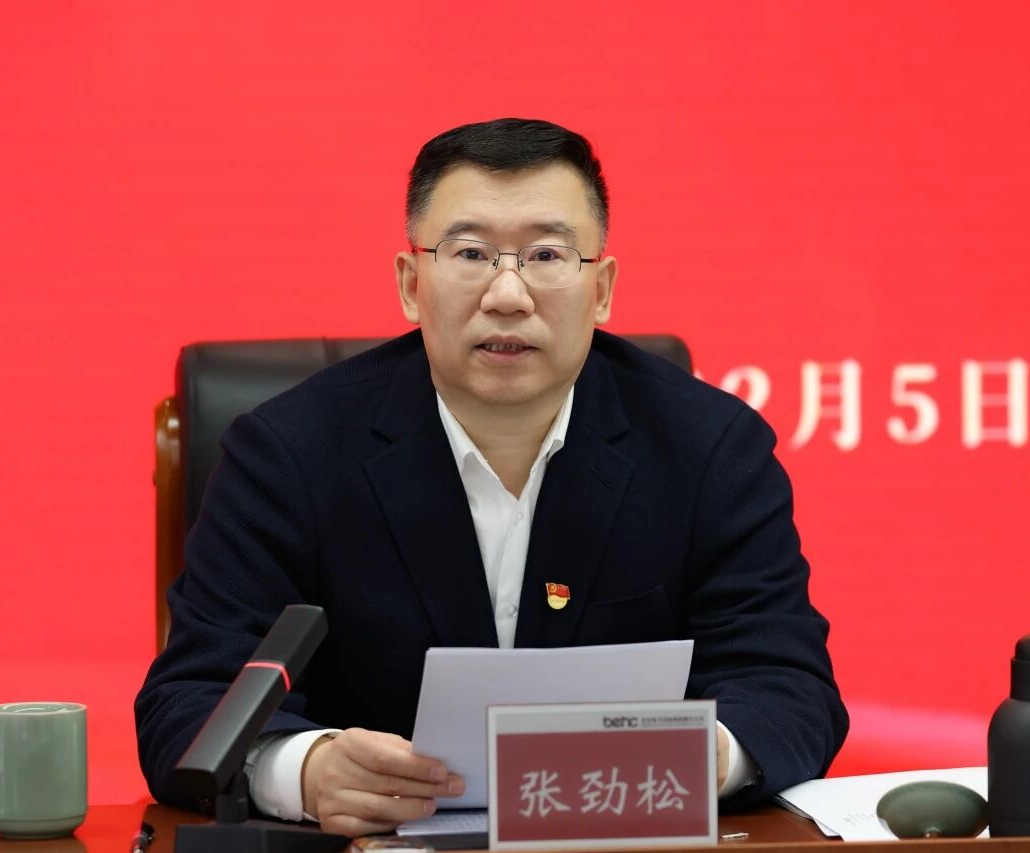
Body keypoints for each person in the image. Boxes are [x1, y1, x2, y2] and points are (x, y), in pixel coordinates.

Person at [135, 117, 847, 837]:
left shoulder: (709, 448)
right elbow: (191, 699)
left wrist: (695, 758)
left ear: (601, 289)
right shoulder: (288, 454)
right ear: (411, 283)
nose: (508, 295)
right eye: (471, 253)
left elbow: (788, 686)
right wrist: (304, 769)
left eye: (547, 254)